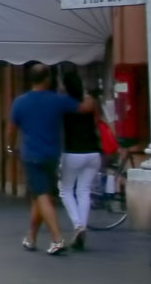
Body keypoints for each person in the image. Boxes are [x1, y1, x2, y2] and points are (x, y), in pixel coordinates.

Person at [9, 63, 95, 255]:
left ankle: (57, 239)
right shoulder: (58, 100)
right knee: (40, 197)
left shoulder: (20, 102)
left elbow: (11, 130)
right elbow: (84, 108)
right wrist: (89, 94)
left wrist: (10, 147)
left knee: (41, 196)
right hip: (52, 156)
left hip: (31, 156)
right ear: (47, 79)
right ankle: (31, 237)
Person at [57, 70, 103, 252]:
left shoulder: (64, 105)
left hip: (73, 153)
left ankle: (79, 226)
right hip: (93, 154)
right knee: (84, 190)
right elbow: (98, 122)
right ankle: (81, 228)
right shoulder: (90, 103)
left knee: (65, 190)